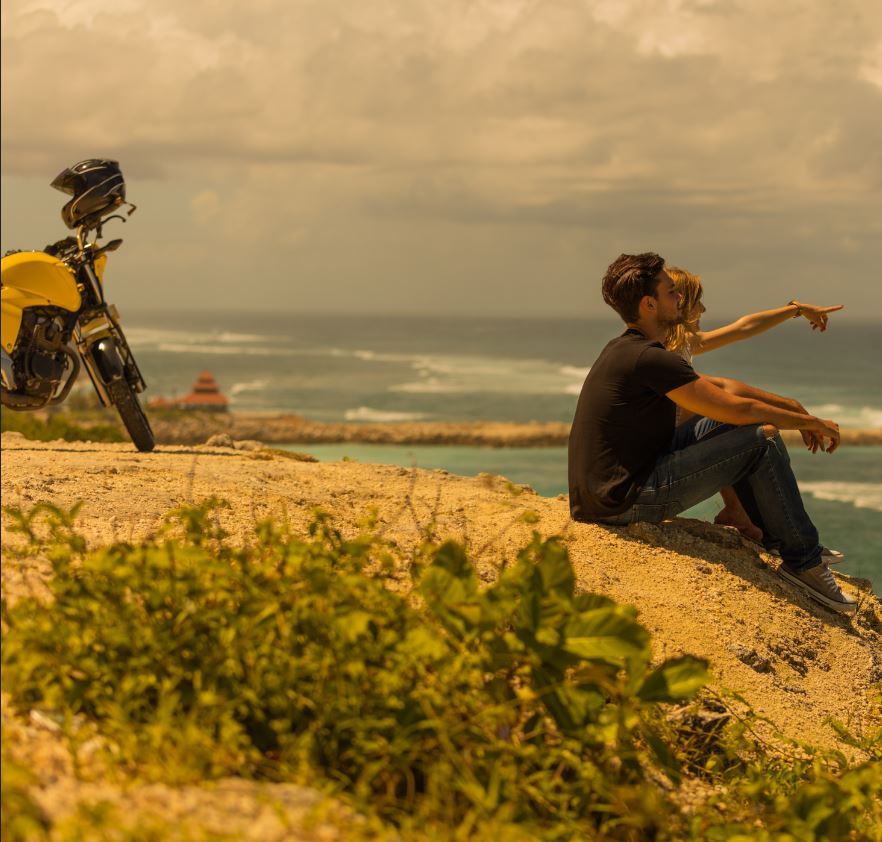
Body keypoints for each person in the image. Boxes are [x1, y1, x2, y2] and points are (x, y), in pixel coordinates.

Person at [568, 252, 856, 615]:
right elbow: (737, 406)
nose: (681, 300)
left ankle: (779, 538)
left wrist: (793, 408)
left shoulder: (629, 349)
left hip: (612, 488)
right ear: (649, 303)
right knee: (762, 439)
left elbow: (727, 396)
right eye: (673, 292)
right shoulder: (652, 357)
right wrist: (810, 422)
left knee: (745, 428)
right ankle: (804, 562)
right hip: (625, 500)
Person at [664, 266, 844, 561]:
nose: (704, 309)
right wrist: (797, 414)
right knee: (731, 417)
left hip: (670, 447)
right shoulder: (665, 352)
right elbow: (728, 393)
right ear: (680, 304)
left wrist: (796, 310)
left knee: (723, 415)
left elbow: (744, 327)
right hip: (659, 465)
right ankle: (761, 524)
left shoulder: (682, 343)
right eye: (698, 302)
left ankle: (738, 511)